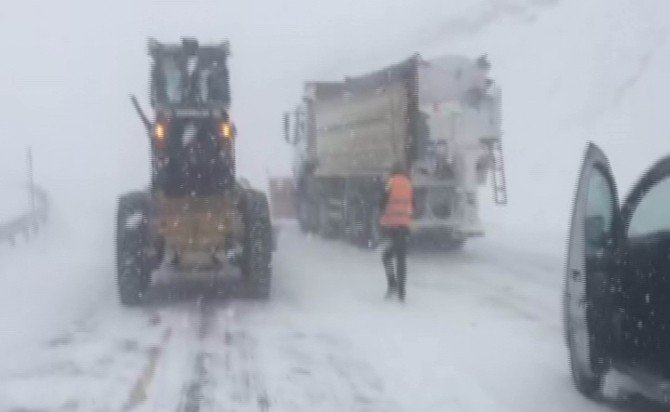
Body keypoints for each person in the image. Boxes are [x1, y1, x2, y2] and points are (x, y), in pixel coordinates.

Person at [380, 162, 413, 302]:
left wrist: (382, 214)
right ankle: (402, 292)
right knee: (401, 258)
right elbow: (413, 203)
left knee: (387, 256)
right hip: (404, 226)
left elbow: (382, 201)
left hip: (391, 226)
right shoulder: (408, 184)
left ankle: (392, 284)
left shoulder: (390, 182)